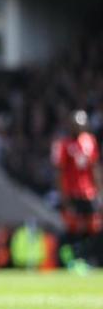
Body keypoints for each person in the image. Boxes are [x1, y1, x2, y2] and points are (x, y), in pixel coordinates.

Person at [51, 109, 102, 266]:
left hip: (89, 193)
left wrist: (99, 191)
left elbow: (94, 168)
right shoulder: (64, 144)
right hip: (72, 193)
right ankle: (68, 259)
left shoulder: (90, 141)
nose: (78, 127)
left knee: (95, 227)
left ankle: (89, 258)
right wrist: (64, 197)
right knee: (73, 229)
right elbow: (59, 173)